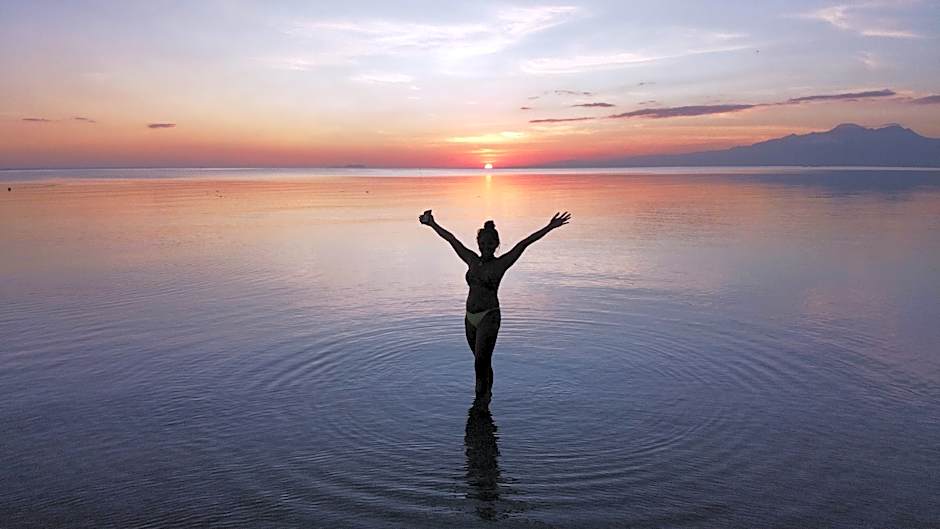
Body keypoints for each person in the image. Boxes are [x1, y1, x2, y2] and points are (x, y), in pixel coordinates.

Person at [419, 209, 571, 402]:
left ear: (496, 244)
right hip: (470, 318)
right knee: (481, 362)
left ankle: (480, 400)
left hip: (489, 317)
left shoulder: (501, 264)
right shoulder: (471, 260)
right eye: (483, 243)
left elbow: (524, 243)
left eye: (490, 243)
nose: (486, 247)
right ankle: (486, 396)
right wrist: (432, 223)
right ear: (479, 244)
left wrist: (550, 226)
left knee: (481, 361)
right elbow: (451, 239)